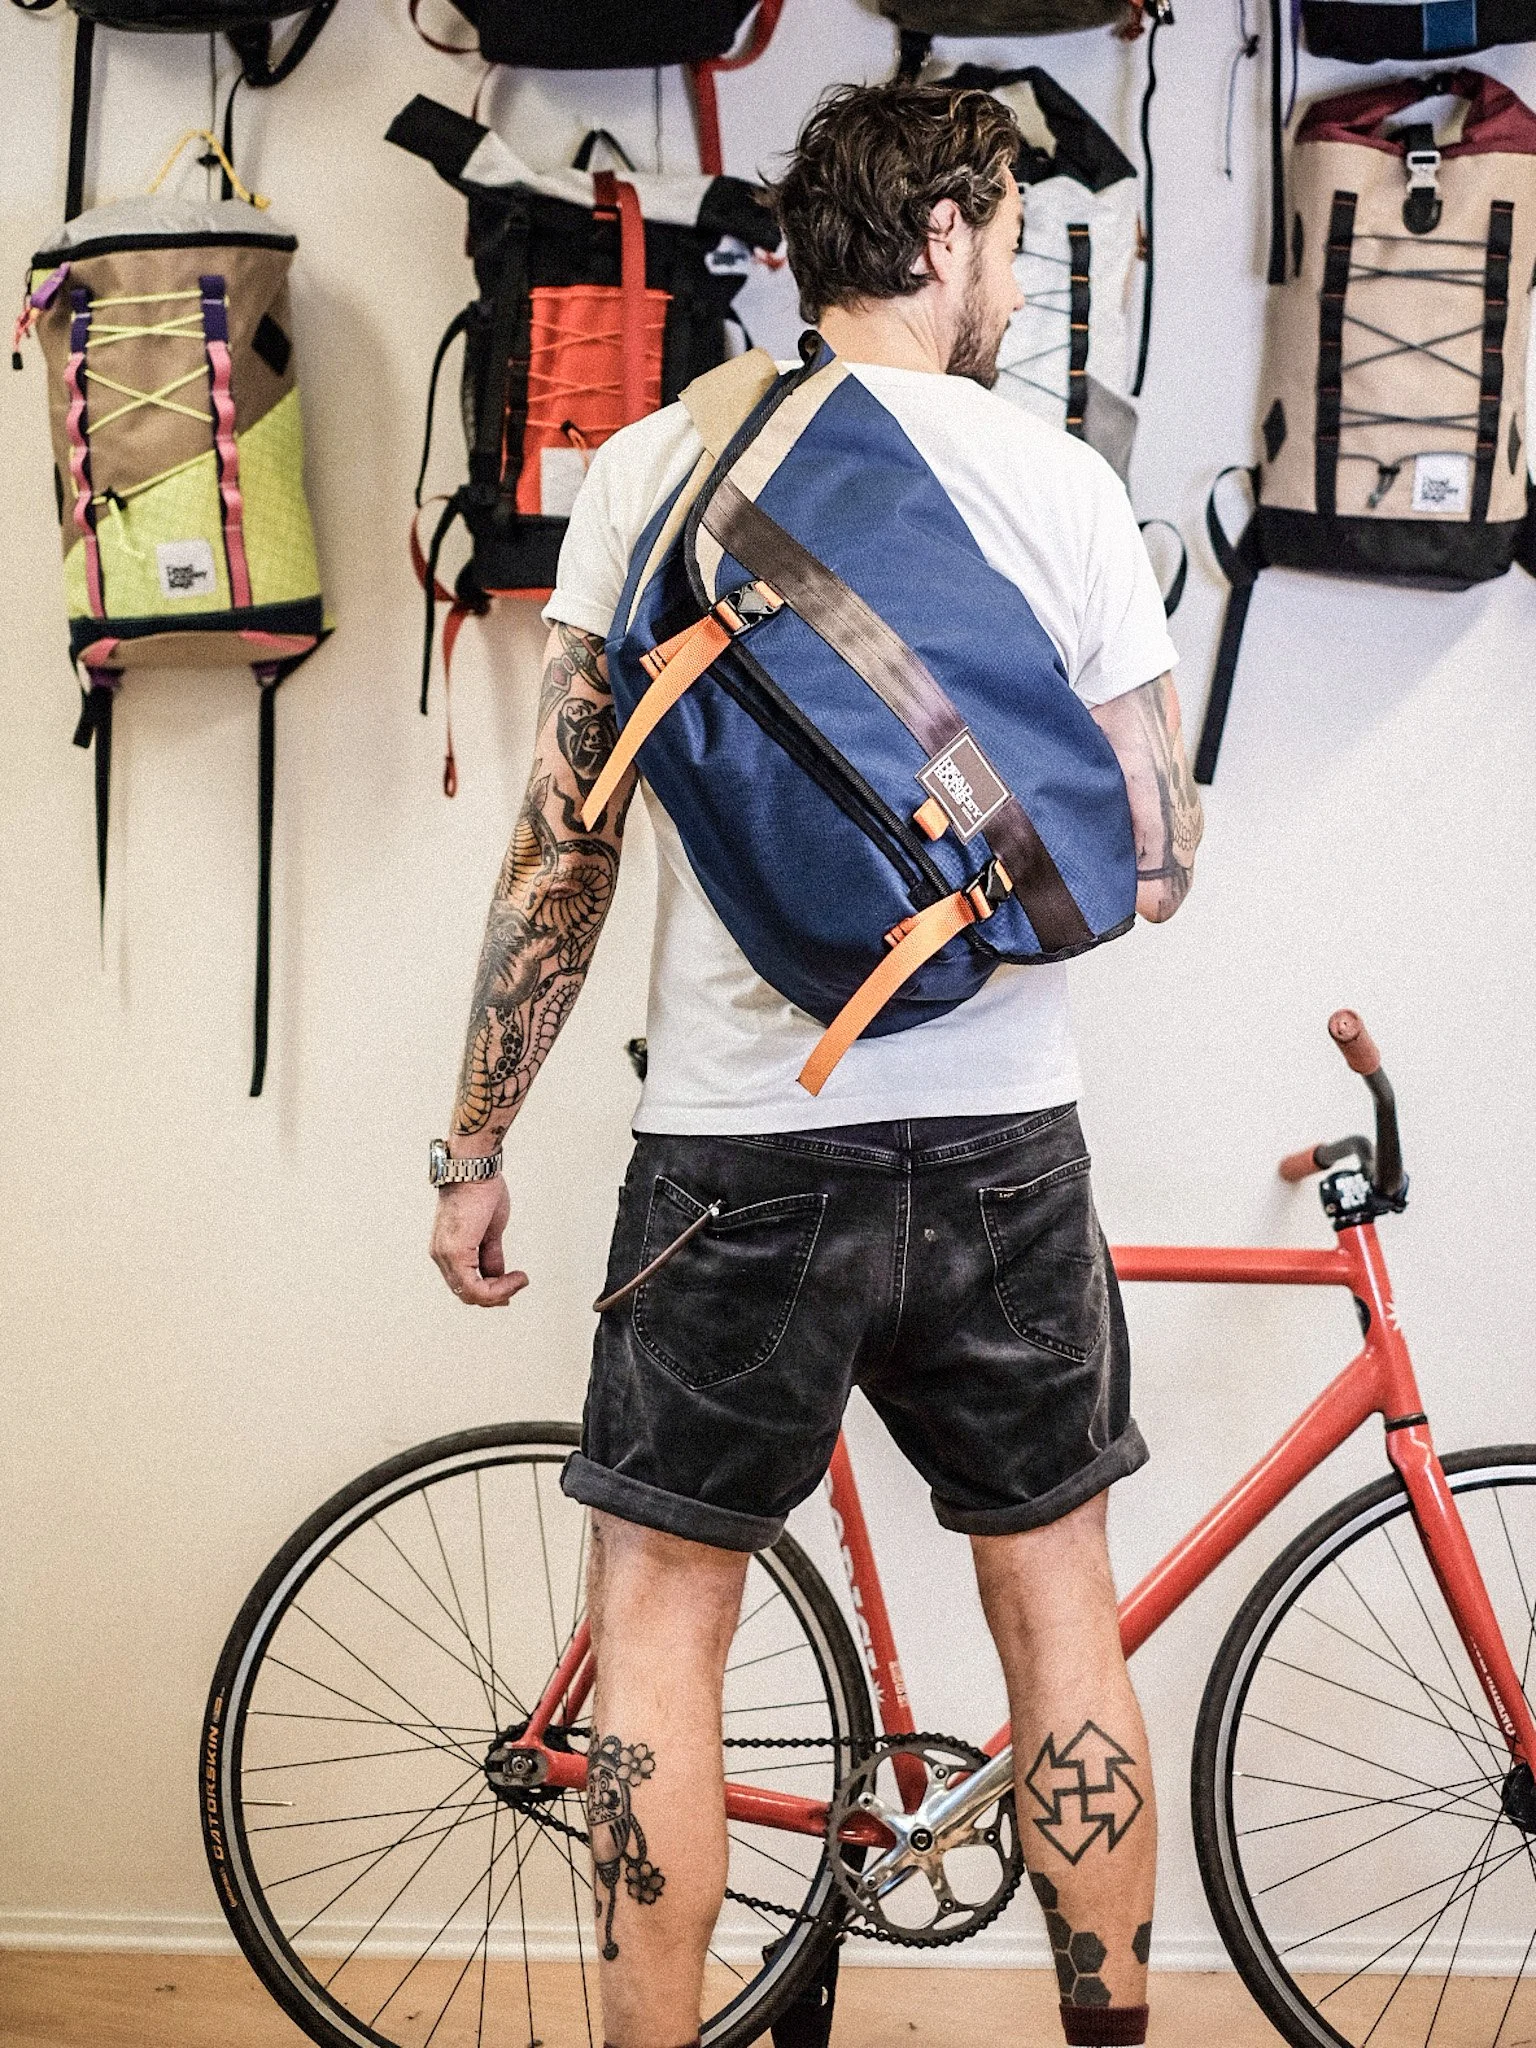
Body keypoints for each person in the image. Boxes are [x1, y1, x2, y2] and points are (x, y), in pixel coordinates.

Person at [430, 80, 1202, 2048]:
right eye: (1015, 239)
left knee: (664, 1632)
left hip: (738, 1153)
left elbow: (564, 842)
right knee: (1057, 1616)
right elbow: (1161, 857)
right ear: (938, 240)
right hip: (1007, 1142)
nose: (1019, 278)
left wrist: (474, 1137)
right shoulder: (1061, 482)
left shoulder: (655, 467)